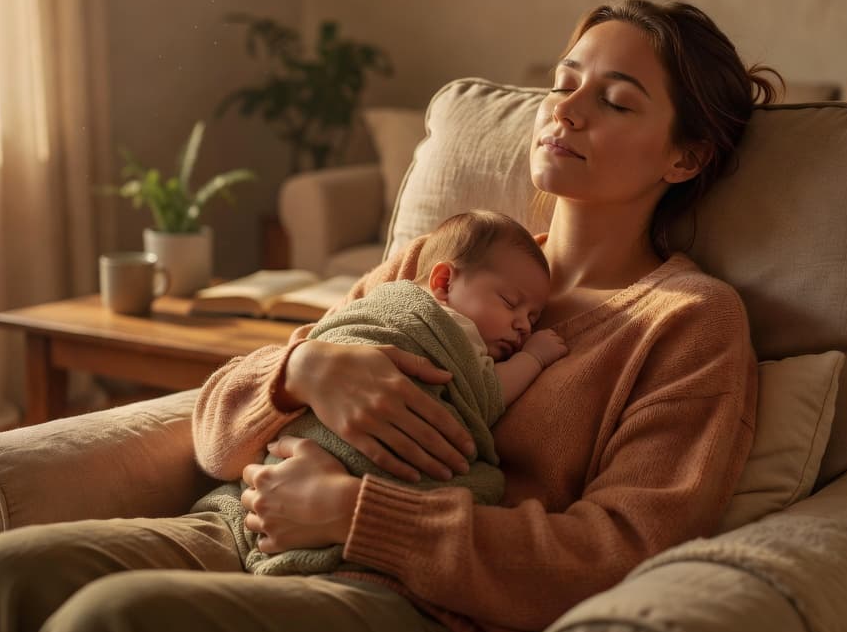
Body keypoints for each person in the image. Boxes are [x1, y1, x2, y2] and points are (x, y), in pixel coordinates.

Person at [0, 0, 780, 632]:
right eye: (564, 84)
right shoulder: (453, 257)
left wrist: (357, 514)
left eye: (617, 101)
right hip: (239, 528)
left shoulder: (685, 323)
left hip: (415, 600)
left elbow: (620, 550)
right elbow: (217, 436)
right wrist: (300, 373)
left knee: (112, 623)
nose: (568, 110)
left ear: (687, 154)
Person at [195, 209, 569, 576]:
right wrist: (300, 367)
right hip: (274, 490)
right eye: (509, 304)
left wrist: (345, 508)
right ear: (443, 282)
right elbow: (489, 393)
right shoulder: (445, 320)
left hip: (341, 530)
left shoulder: (474, 284)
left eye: (533, 319)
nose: (522, 326)